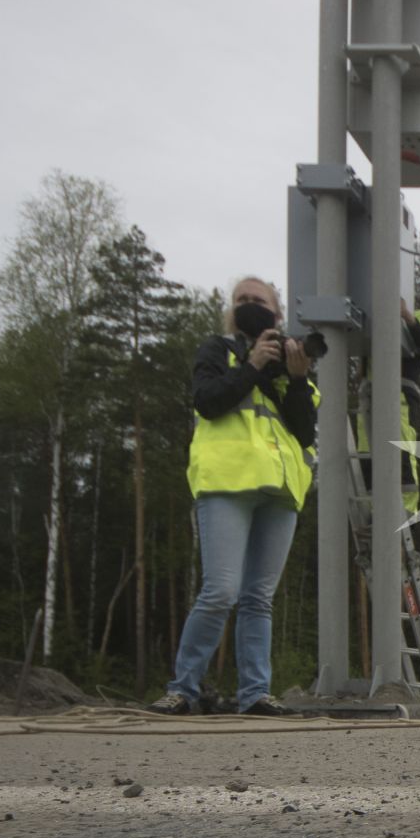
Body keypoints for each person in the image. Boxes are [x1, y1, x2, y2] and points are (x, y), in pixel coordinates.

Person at [148, 277, 319, 717]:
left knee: (258, 598)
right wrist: (252, 365)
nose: (249, 306)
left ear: (278, 314)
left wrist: (297, 379)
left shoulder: (288, 361)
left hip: (280, 489)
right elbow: (207, 401)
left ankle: (255, 695)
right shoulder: (217, 350)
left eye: (258, 301)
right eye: (242, 301)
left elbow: (303, 431)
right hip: (226, 481)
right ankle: (182, 689)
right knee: (220, 591)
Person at [356, 299, 420, 514]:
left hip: (399, 396)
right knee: (366, 454)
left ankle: (406, 512)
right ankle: (374, 511)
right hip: (369, 398)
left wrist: (406, 316)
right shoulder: (370, 319)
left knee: (401, 453)